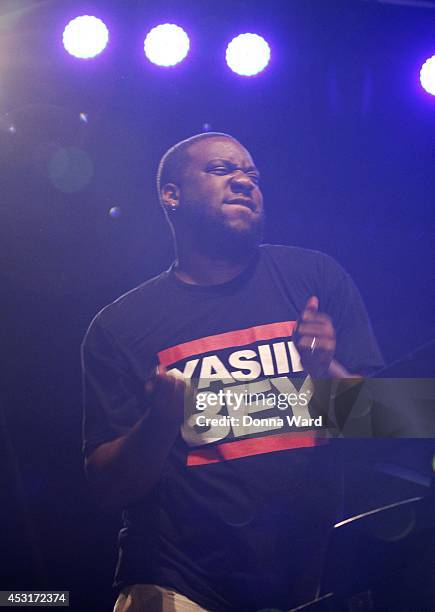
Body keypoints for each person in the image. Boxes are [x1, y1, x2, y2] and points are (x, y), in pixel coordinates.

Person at [81, 132, 384, 611]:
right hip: (180, 582)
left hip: (315, 579)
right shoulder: (122, 326)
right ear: (171, 194)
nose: (244, 181)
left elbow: (388, 427)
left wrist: (327, 371)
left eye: (252, 175)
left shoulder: (315, 277)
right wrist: (161, 418)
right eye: (222, 170)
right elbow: (105, 488)